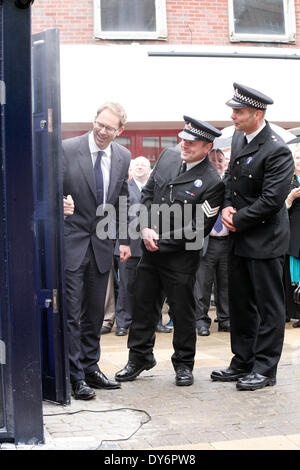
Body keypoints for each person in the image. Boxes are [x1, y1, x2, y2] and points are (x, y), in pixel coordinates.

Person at [115, 116, 224, 387]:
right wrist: (145, 227)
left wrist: (159, 238)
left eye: (192, 143)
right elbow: (148, 193)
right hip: (150, 251)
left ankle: (184, 364)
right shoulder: (168, 155)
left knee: (182, 311)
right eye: (183, 139)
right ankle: (139, 358)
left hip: (180, 258)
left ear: (207, 148)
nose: (184, 145)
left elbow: (198, 227)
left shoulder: (212, 182)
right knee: (143, 306)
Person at [211, 83, 294, 391]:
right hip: (240, 237)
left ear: (256, 114)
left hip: (265, 239)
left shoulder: (276, 149)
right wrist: (228, 207)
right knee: (241, 304)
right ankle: (242, 361)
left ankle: (265, 368)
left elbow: (272, 200)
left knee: (269, 307)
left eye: (239, 112)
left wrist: (237, 220)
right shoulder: (238, 136)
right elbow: (231, 180)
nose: (233, 116)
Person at [63, 102, 131, 400]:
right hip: (72, 244)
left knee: (94, 313)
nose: (102, 131)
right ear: (94, 121)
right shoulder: (67, 148)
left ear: (120, 131)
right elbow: (48, 189)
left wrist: (126, 240)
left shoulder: (123, 156)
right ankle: (74, 375)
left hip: (102, 246)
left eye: (109, 128)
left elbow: (123, 200)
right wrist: (58, 204)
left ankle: (91, 368)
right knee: (71, 313)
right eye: (99, 124)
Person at [114, 156, 167, 335]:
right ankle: (123, 322)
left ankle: (156, 321)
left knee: (154, 286)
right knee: (126, 286)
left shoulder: (157, 189)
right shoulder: (125, 188)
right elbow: (120, 217)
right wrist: (123, 242)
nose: (139, 167)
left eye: (143, 165)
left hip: (153, 245)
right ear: (131, 169)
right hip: (128, 245)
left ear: (149, 169)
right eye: (136, 165)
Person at [194, 148, 230, 336]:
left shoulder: (230, 182)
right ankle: (201, 320)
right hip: (206, 241)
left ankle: (225, 319)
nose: (217, 163)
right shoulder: (202, 181)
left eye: (220, 160)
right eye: (213, 160)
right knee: (203, 284)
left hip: (226, 240)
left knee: (225, 283)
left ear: (225, 162)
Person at [284, 148, 300, 327]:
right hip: (292, 231)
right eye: (298, 157)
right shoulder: (287, 182)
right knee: (291, 274)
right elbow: (280, 209)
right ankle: (290, 310)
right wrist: (291, 198)